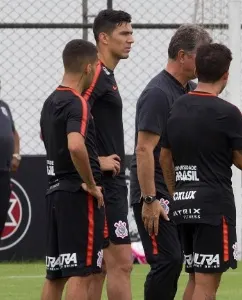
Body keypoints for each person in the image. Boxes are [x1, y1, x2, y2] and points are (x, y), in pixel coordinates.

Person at [160, 42, 242, 300]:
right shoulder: (228, 113)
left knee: (194, 277)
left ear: (198, 69)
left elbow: (164, 155)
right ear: (226, 74)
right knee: (207, 284)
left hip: (182, 201)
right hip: (213, 206)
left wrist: (174, 190)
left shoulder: (177, 106)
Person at [130, 24, 212, 300]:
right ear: (182, 56)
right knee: (168, 260)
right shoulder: (158, 93)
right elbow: (143, 149)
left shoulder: (189, 90)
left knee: (191, 264)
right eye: (201, 56)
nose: (205, 62)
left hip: (179, 190)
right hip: (154, 191)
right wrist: (149, 199)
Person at [39, 39, 105, 300]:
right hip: (76, 195)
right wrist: (89, 182)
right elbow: (76, 145)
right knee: (81, 273)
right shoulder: (77, 102)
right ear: (89, 68)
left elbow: (46, 138)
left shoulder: (49, 102)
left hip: (53, 191)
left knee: (55, 274)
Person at [83, 9, 135, 300]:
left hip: (109, 183)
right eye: (124, 34)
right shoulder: (94, 76)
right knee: (121, 264)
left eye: (131, 33)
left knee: (99, 268)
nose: (131, 40)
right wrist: (95, 161)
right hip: (104, 183)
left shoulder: (106, 75)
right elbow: (68, 116)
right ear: (103, 38)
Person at [0, 79, 21, 244]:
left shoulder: (4, 107)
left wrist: (16, 155)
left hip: (4, 171)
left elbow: (14, 134)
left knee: (2, 214)